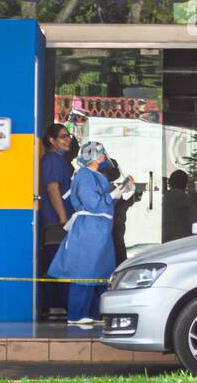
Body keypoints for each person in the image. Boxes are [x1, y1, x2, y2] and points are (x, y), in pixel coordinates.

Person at [47, 141, 116, 326]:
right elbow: (93, 202)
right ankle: (77, 314)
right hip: (90, 228)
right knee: (85, 270)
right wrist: (114, 195)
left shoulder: (94, 175)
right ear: (96, 157)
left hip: (98, 229)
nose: (103, 158)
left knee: (98, 272)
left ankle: (94, 313)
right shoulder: (85, 176)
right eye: (101, 154)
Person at [37, 123, 73, 322]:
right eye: (62, 136)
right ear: (52, 140)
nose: (67, 140)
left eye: (68, 136)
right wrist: (62, 217)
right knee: (57, 264)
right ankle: (55, 305)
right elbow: (53, 189)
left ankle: (56, 305)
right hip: (57, 223)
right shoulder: (53, 160)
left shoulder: (58, 160)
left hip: (59, 221)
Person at [98, 155, 139, 265]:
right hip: (111, 229)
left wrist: (133, 198)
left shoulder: (110, 187)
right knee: (117, 258)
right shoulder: (104, 187)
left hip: (116, 227)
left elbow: (121, 205)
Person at [162, 170, 195, 242]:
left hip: (165, 239)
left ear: (170, 182)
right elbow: (193, 222)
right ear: (185, 184)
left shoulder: (163, 198)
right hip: (181, 241)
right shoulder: (186, 199)